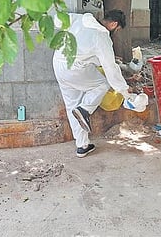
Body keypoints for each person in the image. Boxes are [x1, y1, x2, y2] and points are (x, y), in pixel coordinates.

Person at [52, 10, 133, 158]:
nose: (116, 32)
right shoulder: (102, 36)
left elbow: (58, 21)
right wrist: (125, 91)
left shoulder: (81, 19)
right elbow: (110, 68)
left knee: (72, 106)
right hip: (75, 69)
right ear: (114, 24)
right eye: (118, 29)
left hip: (59, 65)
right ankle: (85, 109)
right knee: (102, 84)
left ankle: (82, 146)